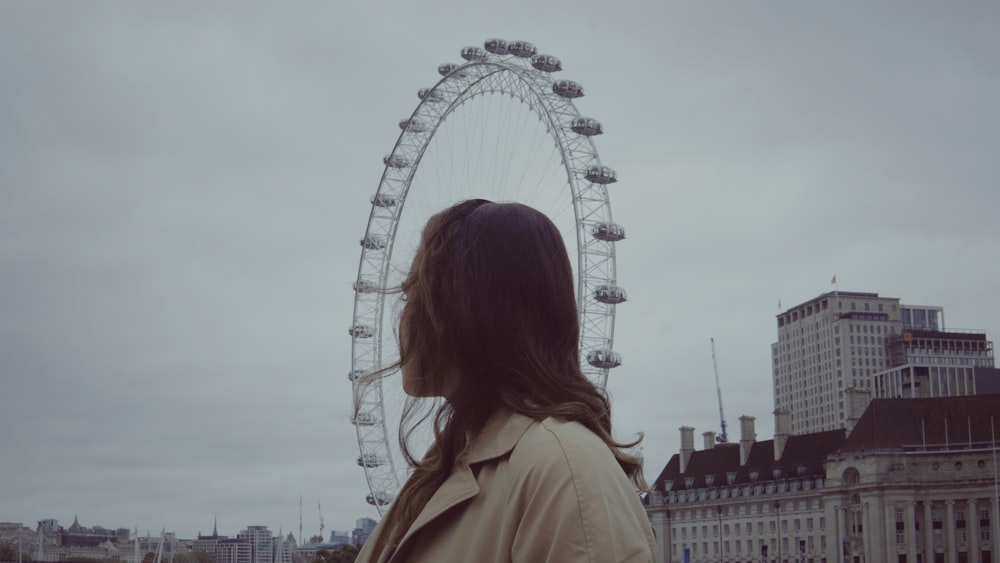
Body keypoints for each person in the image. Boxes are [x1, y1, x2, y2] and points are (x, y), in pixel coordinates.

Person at [354, 199, 656, 563]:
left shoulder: (565, 470)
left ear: (457, 308)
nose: (402, 317)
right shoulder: (447, 467)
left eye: (410, 294)